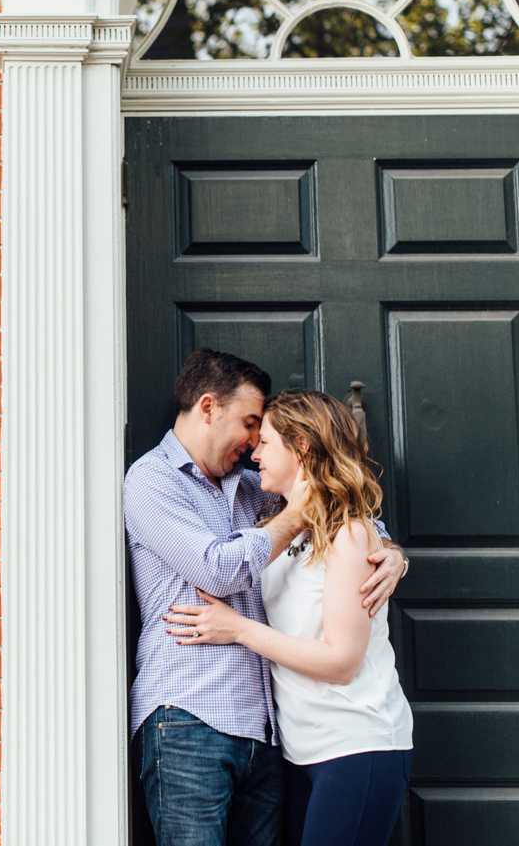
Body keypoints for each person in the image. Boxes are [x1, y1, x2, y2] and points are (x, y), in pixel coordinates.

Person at [125, 350, 407, 846]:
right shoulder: (152, 482)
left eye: (263, 435)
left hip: (268, 734)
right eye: (250, 424)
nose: (254, 445)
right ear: (209, 407)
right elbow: (218, 569)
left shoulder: (253, 486)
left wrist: (390, 549)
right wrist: (299, 514)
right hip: (191, 719)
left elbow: (337, 505)